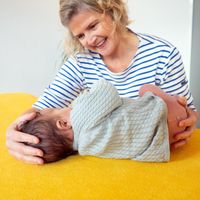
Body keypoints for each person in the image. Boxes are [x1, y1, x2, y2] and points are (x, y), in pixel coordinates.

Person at [6, 0, 198, 165]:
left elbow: (187, 111)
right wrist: (14, 130)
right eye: (80, 35)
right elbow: (43, 107)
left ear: (113, 11)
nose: (89, 40)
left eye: (92, 26)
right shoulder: (81, 61)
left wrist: (188, 117)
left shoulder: (162, 54)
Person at [20, 80, 187, 163]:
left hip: (162, 142)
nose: (66, 107)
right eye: (56, 110)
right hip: (163, 115)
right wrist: (81, 99)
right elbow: (107, 90)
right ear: (63, 124)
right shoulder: (79, 116)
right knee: (145, 88)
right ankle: (171, 100)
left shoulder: (85, 148)